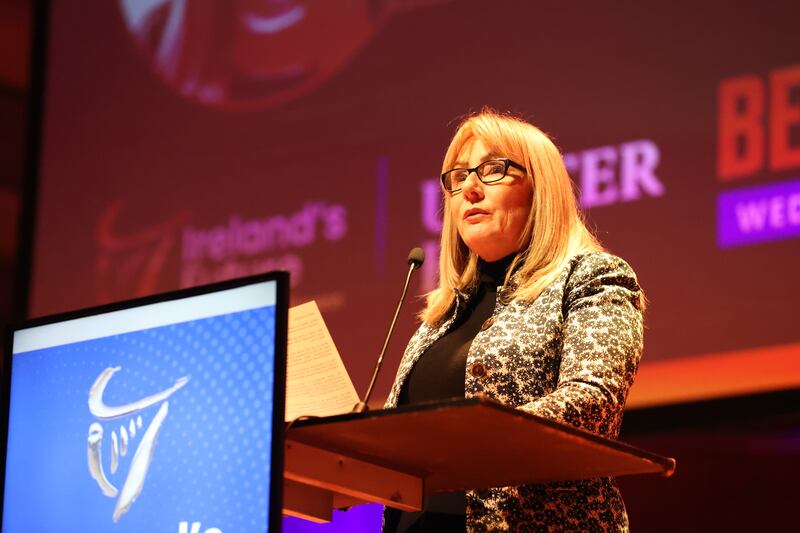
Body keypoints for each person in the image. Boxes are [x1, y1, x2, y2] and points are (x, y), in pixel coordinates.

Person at [383, 109, 644, 532]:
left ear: (540, 189)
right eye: (458, 176)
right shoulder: (443, 315)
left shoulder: (592, 277)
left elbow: (593, 405)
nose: (469, 188)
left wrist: (470, 437)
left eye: (492, 170)